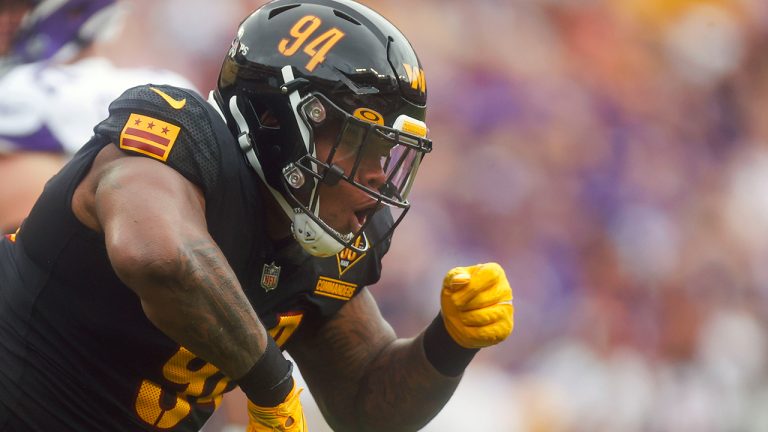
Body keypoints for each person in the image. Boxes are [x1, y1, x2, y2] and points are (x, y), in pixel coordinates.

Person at [0, 0, 514, 430]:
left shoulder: (322, 238)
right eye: (362, 144)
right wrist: (272, 384)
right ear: (276, 117)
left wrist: (449, 342)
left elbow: (365, 407)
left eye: (387, 155)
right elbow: (158, 255)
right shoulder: (184, 137)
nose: (378, 178)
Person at [0, 0, 196, 234]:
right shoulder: (171, 87)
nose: (7, 20)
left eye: (14, 8)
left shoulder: (21, 86)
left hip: (55, 239)